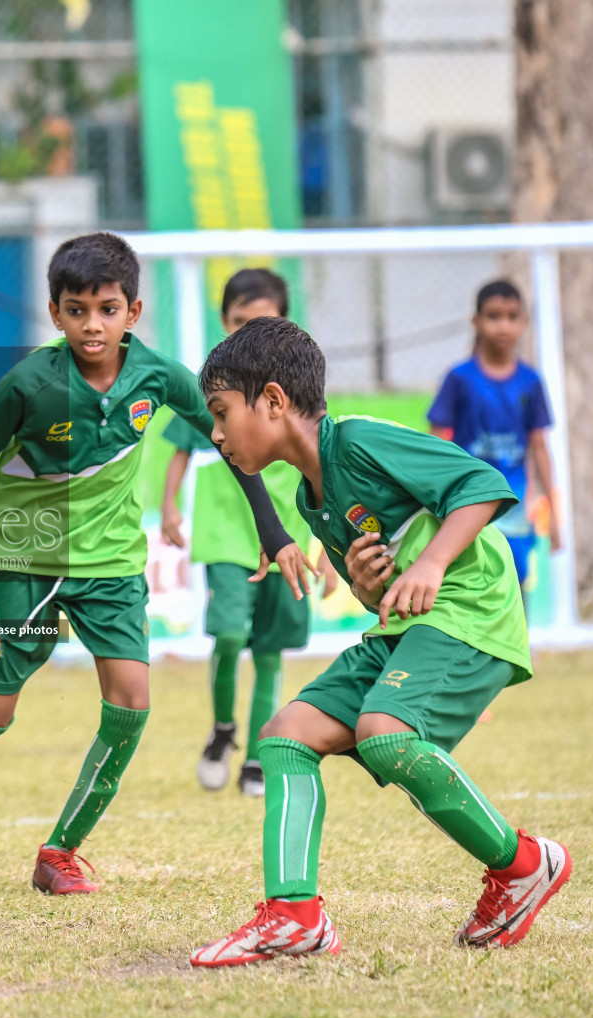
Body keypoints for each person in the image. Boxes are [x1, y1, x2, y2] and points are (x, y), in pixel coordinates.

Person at [0, 233, 312, 896]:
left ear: (132, 313)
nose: (92, 324)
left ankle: (61, 851)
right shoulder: (27, 384)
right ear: (56, 314)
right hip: (21, 561)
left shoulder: (160, 377)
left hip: (110, 565)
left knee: (132, 704)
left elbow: (228, 443)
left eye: (107, 309)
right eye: (77, 310)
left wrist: (274, 529)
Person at [188, 316, 570, 966]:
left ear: (275, 401)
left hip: (470, 610)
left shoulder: (361, 442)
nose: (218, 434)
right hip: (407, 624)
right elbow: (381, 594)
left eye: (222, 413)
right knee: (285, 737)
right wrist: (371, 585)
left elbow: (481, 486)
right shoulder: (313, 500)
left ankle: (526, 864)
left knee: (384, 732)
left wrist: (431, 564)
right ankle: (294, 917)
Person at [159, 268, 337, 797]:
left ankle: (259, 757)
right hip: (225, 535)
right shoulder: (213, 390)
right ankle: (222, 731)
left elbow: (323, 470)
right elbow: (182, 447)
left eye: (264, 321)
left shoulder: (297, 396)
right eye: (241, 322)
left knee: (268, 650)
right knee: (231, 634)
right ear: (224, 323)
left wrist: (327, 548)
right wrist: (169, 506)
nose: (250, 332)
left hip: (285, 538)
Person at [427, 280, 560, 601]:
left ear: (524, 323)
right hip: (463, 505)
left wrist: (555, 514)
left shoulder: (530, 382)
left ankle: (517, 651)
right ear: (476, 321)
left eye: (512, 316)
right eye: (494, 315)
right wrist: (432, 501)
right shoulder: (459, 378)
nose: (504, 325)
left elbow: (539, 446)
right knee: (465, 586)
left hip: (512, 506)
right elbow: (436, 443)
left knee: (513, 583)